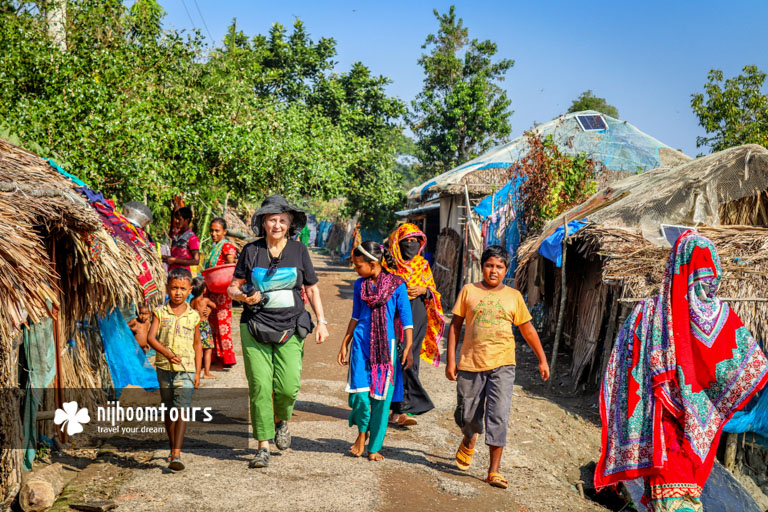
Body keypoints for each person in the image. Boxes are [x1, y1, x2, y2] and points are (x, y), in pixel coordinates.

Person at [595, 231, 768, 512]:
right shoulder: (721, 318)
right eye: (708, 270)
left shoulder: (647, 312)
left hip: (657, 430)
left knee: (670, 497)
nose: (710, 278)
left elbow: (622, 369)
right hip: (686, 434)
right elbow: (751, 368)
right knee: (681, 497)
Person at [227, 195, 329, 469]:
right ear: (263, 222)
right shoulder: (251, 251)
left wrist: (321, 321)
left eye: (282, 220)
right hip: (254, 326)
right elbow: (232, 287)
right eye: (272, 219)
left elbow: (312, 287)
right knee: (260, 386)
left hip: (291, 326)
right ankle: (263, 446)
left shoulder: (299, 251)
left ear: (290, 224)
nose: (277, 224)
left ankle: (282, 419)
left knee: (287, 386)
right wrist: (243, 298)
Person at [446, 245, 550, 489]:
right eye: (489, 265)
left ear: (506, 270)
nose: (494, 271)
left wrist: (542, 358)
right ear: (482, 267)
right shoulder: (469, 291)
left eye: (499, 267)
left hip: (503, 364)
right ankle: (469, 437)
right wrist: (451, 360)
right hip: (471, 363)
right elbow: (455, 326)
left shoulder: (513, 297)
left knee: (498, 415)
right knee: (468, 414)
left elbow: (527, 329)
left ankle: (493, 471)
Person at [337, 242, 414, 460]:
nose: (355, 269)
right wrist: (345, 342)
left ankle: (374, 447)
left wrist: (408, 346)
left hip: (385, 349)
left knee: (381, 399)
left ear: (373, 264)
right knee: (360, 396)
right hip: (361, 344)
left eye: (358, 265)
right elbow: (355, 315)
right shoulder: (359, 285)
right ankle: (362, 433)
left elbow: (406, 318)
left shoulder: (397, 285)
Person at [383, 223, 445, 426]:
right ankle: (395, 407)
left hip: (417, 315)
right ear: (397, 243)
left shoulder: (423, 265)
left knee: (411, 359)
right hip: (394, 315)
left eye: (414, 241)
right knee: (394, 357)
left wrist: (422, 290)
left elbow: (434, 292)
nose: (410, 245)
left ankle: (404, 409)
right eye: (406, 241)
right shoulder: (389, 264)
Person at [146, 267, 202, 472]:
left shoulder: (194, 316)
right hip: (163, 368)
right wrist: (167, 353)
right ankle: (172, 448)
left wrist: (197, 372)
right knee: (169, 410)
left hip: (185, 369)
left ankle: (177, 454)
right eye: (174, 288)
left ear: (190, 290)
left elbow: (198, 344)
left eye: (183, 289)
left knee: (182, 409)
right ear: (167, 289)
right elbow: (150, 338)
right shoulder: (160, 313)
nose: (178, 292)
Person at [202, 217, 238, 368]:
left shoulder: (227, 246)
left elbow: (230, 264)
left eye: (217, 231)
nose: (213, 233)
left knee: (223, 325)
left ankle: (227, 358)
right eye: (212, 230)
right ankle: (215, 356)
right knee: (212, 323)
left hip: (223, 291)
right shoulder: (214, 247)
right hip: (213, 291)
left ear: (224, 231)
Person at [191, 277, 217, 379]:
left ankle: (195, 370)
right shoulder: (205, 300)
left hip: (195, 326)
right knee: (208, 350)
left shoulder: (192, 301)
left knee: (197, 349)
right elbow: (214, 305)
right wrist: (209, 308)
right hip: (204, 326)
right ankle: (206, 372)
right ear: (204, 290)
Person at [163, 206, 199, 272]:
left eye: (179, 219)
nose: (176, 221)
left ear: (187, 220)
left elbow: (196, 261)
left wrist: (174, 260)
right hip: (171, 273)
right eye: (176, 218)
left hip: (183, 275)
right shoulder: (175, 235)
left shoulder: (192, 238)